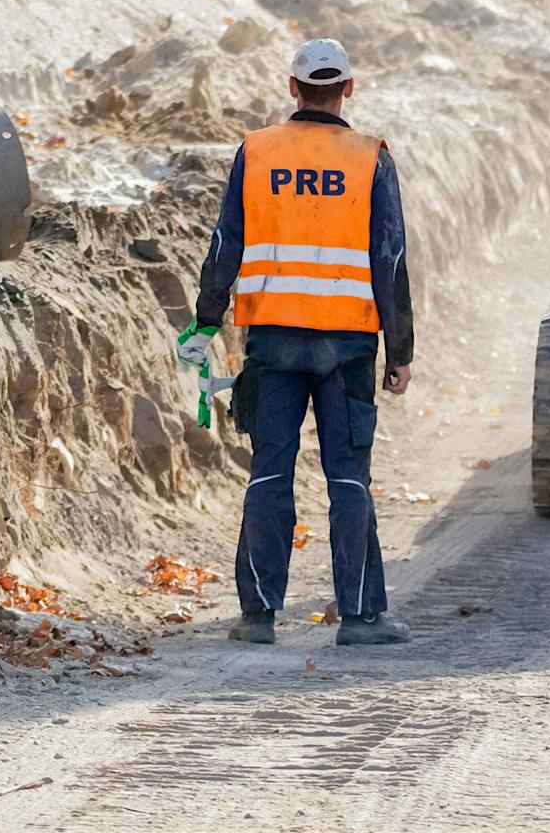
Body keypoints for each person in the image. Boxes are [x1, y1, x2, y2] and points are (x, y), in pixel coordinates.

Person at [176, 37, 414, 648]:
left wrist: (206, 320)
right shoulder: (370, 159)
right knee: (348, 478)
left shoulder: (257, 152)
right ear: (348, 88)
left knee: (269, 473)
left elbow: (226, 244)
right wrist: (400, 351)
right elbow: (388, 260)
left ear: (292, 88)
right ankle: (360, 618)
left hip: (273, 340)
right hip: (349, 345)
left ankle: (257, 616)